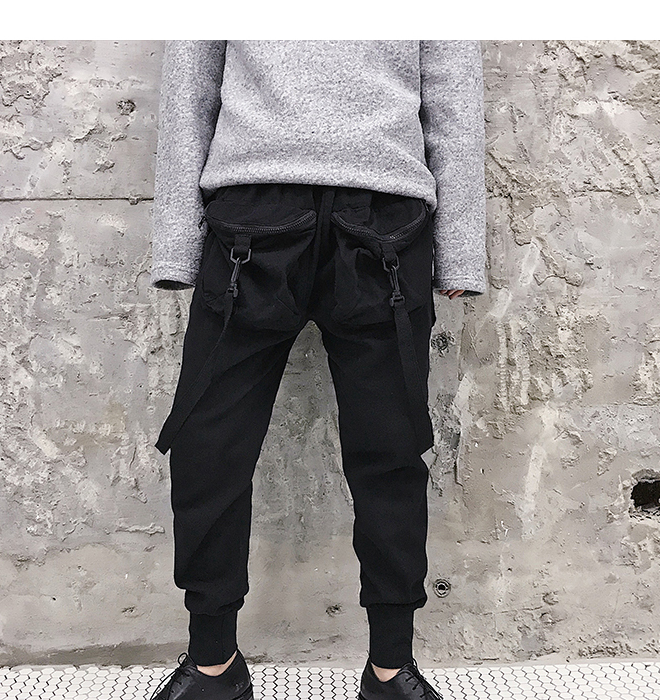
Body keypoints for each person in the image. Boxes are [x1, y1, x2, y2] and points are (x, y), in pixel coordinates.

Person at [148, 40, 487, 700]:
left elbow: (453, 96)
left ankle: (391, 667)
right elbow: (190, 86)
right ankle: (213, 662)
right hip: (250, 216)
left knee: (391, 452)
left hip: (386, 223)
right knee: (207, 445)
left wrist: (461, 252)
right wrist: (176, 248)